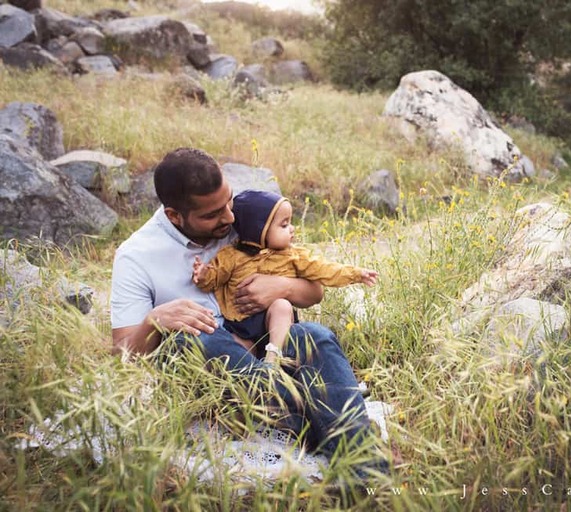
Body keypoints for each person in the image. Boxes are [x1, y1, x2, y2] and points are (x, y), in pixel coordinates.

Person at [110, 147, 387, 487]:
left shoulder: (243, 220)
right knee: (197, 336)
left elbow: (314, 294)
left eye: (228, 202)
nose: (228, 218)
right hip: (215, 369)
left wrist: (280, 285)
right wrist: (155, 319)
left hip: (268, 348)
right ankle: (323, 418)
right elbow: (122, 353)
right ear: (174, 215)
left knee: (312, 335)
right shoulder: (136, 256)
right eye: (213, 214)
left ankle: (366, 476)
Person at [192, 189, 378, 366]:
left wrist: (356, 274)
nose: (292, 229)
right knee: (239, 354)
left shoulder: (292, 255)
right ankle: (256, 379)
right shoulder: (231, 256)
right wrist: (203, 275)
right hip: (240, 324)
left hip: (275, 321)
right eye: (284, 225)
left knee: (281, 306)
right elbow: (215, 276)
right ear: (258, 230)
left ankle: (273, 357)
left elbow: (324, 268)